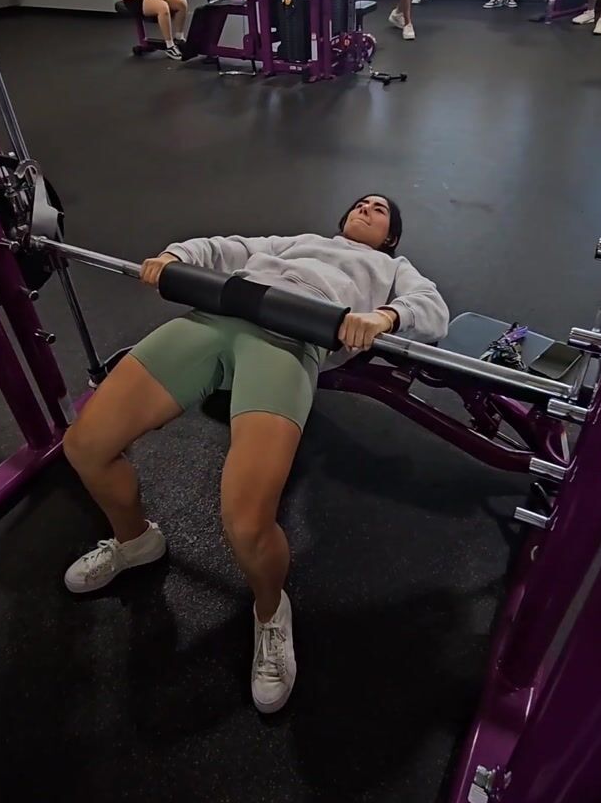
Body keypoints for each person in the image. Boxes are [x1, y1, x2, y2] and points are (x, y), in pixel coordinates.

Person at [62, 195, 450, 714]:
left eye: (379, 211)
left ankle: (270, 612)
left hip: (290, 343)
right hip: (214, 316)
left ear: (391, 237)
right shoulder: (299, 242)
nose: (366, 209)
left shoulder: (392, 269)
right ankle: (135, 542)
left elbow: (433, 309)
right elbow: (229, 248)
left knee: (246, 522)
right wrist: (177, 256)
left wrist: (386, 315)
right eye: (361, 204)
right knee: (84, 447)